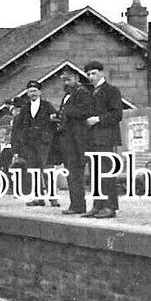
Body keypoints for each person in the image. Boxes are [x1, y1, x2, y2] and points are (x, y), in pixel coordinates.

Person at [83, 60, 124, 218]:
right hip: (92, 139)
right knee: (95, 174)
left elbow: (117, 114)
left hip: (106, 138)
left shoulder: (111, 91)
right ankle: (98, 205)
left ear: (102, 73)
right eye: (88, 74)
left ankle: (110, 207)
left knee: (106, 173)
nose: (90, 77)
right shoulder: (90, 92)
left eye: (93, 73)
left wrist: (98, 119)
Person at [11, 80, 59, 206]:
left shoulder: (47, 106)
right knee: (33, 170)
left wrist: (49, 137)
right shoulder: (25, 108)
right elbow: (18, 126)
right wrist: (22, 140)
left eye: (34, 91)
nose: (32, 93)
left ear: (39, 92)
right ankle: (38, 198)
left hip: (44, 143)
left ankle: (53, 197)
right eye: (30, 91)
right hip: (30, 144)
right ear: (27, 93)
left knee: (47, 169)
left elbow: (55, 122)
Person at [54, 70, 92, 214]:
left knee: (75, 173)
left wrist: (67, 112)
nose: (66, 83)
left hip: (76, 140)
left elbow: (85, 111)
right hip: (66, 139)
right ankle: (74, 204)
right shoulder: (68, 94)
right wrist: (58, 116)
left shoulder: (82, 92)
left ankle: (78, 205)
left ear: (76, 78)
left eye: (68, 80)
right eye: (64, 80)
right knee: (70, 172)